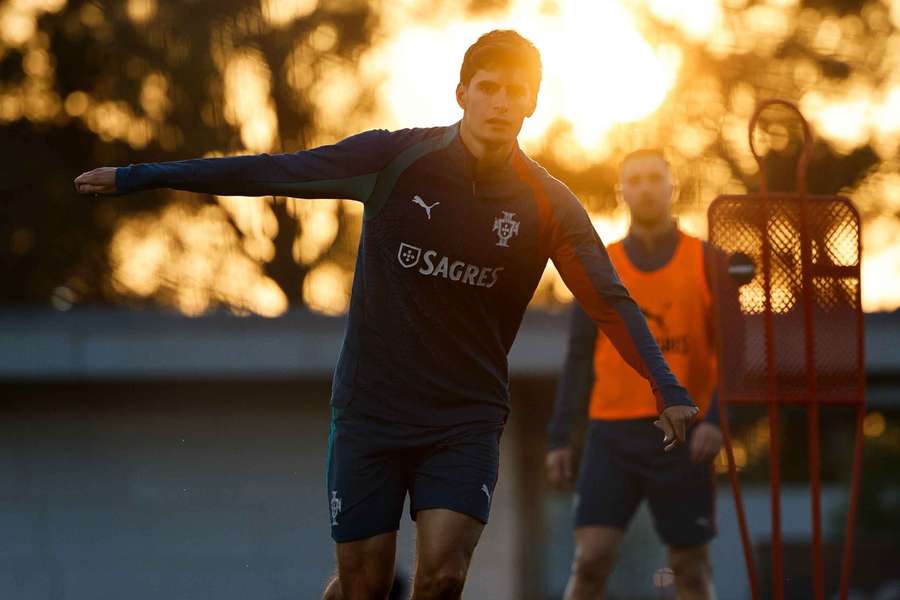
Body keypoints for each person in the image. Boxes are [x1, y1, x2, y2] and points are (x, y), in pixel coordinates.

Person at [75, 31, 697, 600]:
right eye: (489, 88)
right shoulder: (394, 162)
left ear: (532, 104)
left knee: (444, 576)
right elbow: (273, 170)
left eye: (518, 92)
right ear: (462, 93)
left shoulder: (548, 206)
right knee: (365, 586)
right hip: (371, 410)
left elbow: (609, 300)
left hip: (465, 418)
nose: (502, 102)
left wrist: (663, 384)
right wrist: (138, 176)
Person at [546, 149, 724, 600]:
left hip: (684, 431)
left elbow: (734, 355)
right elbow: (578, 355)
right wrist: (561, 436)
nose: (645, 187)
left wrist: (717, 421)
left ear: (671, 187)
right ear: (622, 191)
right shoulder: (599, 264)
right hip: (613, 434)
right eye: (635, 180)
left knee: (688, 567)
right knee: (590, 560)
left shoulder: (706, 261)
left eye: (654, 178)